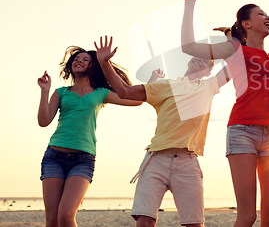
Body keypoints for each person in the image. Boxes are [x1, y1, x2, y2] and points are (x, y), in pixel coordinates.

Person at [181, 0, 269, 227]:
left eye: (267, 13)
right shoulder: (235, 49)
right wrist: (189, 3)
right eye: (261, 14)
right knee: (247, 216)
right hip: (243, 132)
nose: (268, 16)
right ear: (246, 24)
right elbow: (189, 47)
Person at [95, 35, 231, 227]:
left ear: (209, 72)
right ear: (190, 60)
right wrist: (104, 63)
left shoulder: (209, 86)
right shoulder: (164, 85)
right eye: (198, 56)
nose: (200, 59)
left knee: (194, 224)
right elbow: (125, 92)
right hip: (156, 160)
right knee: (144, 221)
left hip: (188, 162)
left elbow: (236, 64)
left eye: (206, 61)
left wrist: (231, 39)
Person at [37, 46, 142, 227]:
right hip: (54, 157)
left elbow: (136, 100)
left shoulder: (101, 93)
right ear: (71, 66)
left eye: (85, 59)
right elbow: (43, 121)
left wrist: (106, 62)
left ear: (93, 66)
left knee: (66, 215)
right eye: (76, 59)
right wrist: (44, 90)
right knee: (52, 220)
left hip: (82, 159)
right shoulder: (61, 92)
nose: (79, 61)